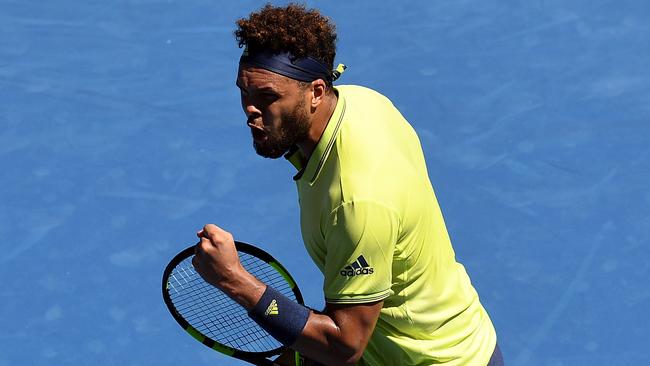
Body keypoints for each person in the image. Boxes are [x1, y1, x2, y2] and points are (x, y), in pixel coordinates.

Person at [192, 4, 503, 366]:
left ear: (317, 92)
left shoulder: (356, 202)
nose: (250, 110)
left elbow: (345, 346)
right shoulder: (362, 102)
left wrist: (235, 280)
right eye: (244, 91)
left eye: (268, 96)